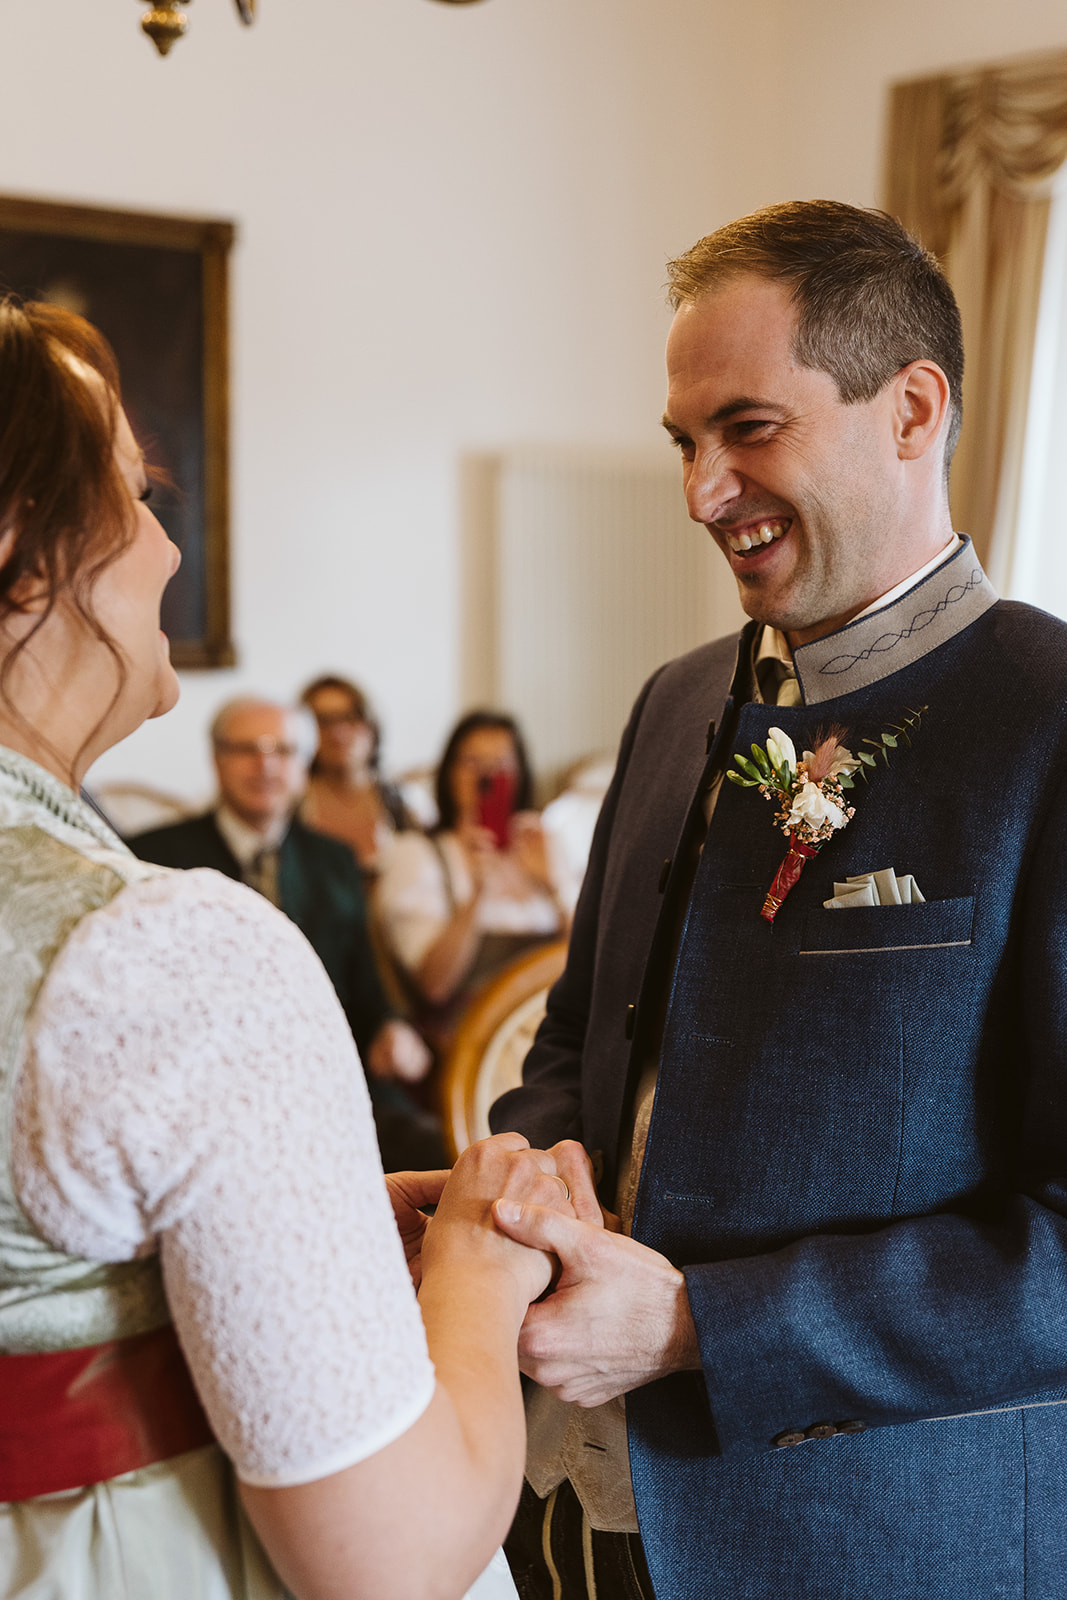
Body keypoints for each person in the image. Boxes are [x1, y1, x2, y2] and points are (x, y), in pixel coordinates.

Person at [489, 201, 1067, 1598]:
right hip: (567, 1514)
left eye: (746, 428)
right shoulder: (674, 698)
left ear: (910, 408)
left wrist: (699, 1327)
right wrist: (526, 1180)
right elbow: (574, 1042)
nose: (700, 490)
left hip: (867, 1544)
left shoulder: (1045, 722)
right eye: (683, 442)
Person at [0, 293, 589, 1600]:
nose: (163, 541)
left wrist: (298, 1223)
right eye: (129, 485)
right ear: (21, 554)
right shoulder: (157, 954)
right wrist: (479, 1267)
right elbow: (395, 1556)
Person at [130, 696, 444, 1171]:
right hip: (208, 1089)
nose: (266, 765)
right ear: (217, 758)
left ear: (303, 765)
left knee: (434, 1154)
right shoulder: (155, 856)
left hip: (326, 1079)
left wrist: (390, 1026)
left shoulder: (334, 861)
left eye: (282, 751)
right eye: (246, 749)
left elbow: (365, 989)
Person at [375, 711, 566, 1056]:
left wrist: (554, 886)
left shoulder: (542, 849)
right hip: (471, 1047)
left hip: (554, 1036)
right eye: (473, 762)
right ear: (449, 773)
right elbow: (435, 987)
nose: (487, 775)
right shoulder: (419, 855)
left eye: (501, 764)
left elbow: (591, 965)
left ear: (520, 774)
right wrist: (477, 895)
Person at [299, 674, 417, 879]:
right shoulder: (291, 804)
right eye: (323, 721)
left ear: (370, 724)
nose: (338, 732)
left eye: (350, 717)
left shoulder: (406, 801)